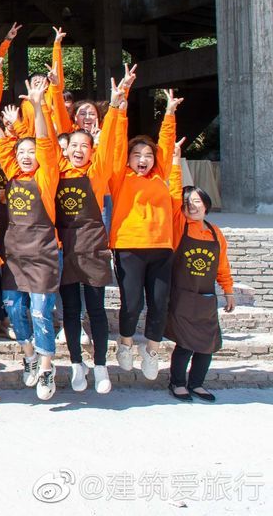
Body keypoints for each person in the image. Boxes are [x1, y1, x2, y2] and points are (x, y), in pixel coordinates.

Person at [0, 79, 63, 400]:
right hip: (15, 255)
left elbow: (44, 140)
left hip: (43, 254)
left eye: (32, 152)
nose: (27, 156)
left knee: (41, 312)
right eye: (22, 152)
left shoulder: (46, 175)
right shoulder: (13, 173)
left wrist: (39, 106)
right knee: (13, 309)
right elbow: (3, 144)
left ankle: (46, 367)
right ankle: (29, 354)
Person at [55, 68, 131, 394]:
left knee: (97, 310)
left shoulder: (97, 173)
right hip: (66, 249)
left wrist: (114, 106)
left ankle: (100, 365)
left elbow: (110, 140)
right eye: (73, 145)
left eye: (84, 146)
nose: (78, 150)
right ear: (65, 148)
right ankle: (76, 363)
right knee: (71, 312)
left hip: (93, 248)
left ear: (91, 149)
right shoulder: (56, 173)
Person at [109, 89, 182, 381]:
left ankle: (152, 350)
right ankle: (125, 342)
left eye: (148, 155)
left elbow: (165, 144)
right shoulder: (120, 177)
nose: (143, 159)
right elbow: (116, 143)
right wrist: (120, 109)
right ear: (128, 158)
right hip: (129, 247)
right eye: (137, 155)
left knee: (159, 303)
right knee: (132, 303)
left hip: (162, 247)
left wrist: (169, 113)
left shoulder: (160, 176)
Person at [166, 185, 234, 402]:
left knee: (207, 345)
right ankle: (177, 383)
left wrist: (228, 291)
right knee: (185, 344)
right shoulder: (179, 226)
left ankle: (196, 383)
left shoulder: (215, 233)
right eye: (188, 202)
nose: (192, 206)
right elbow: (174, 196)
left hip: (206, 299)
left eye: (197, 201)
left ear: (206, 204)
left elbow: (222, 265)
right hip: (182, 297)